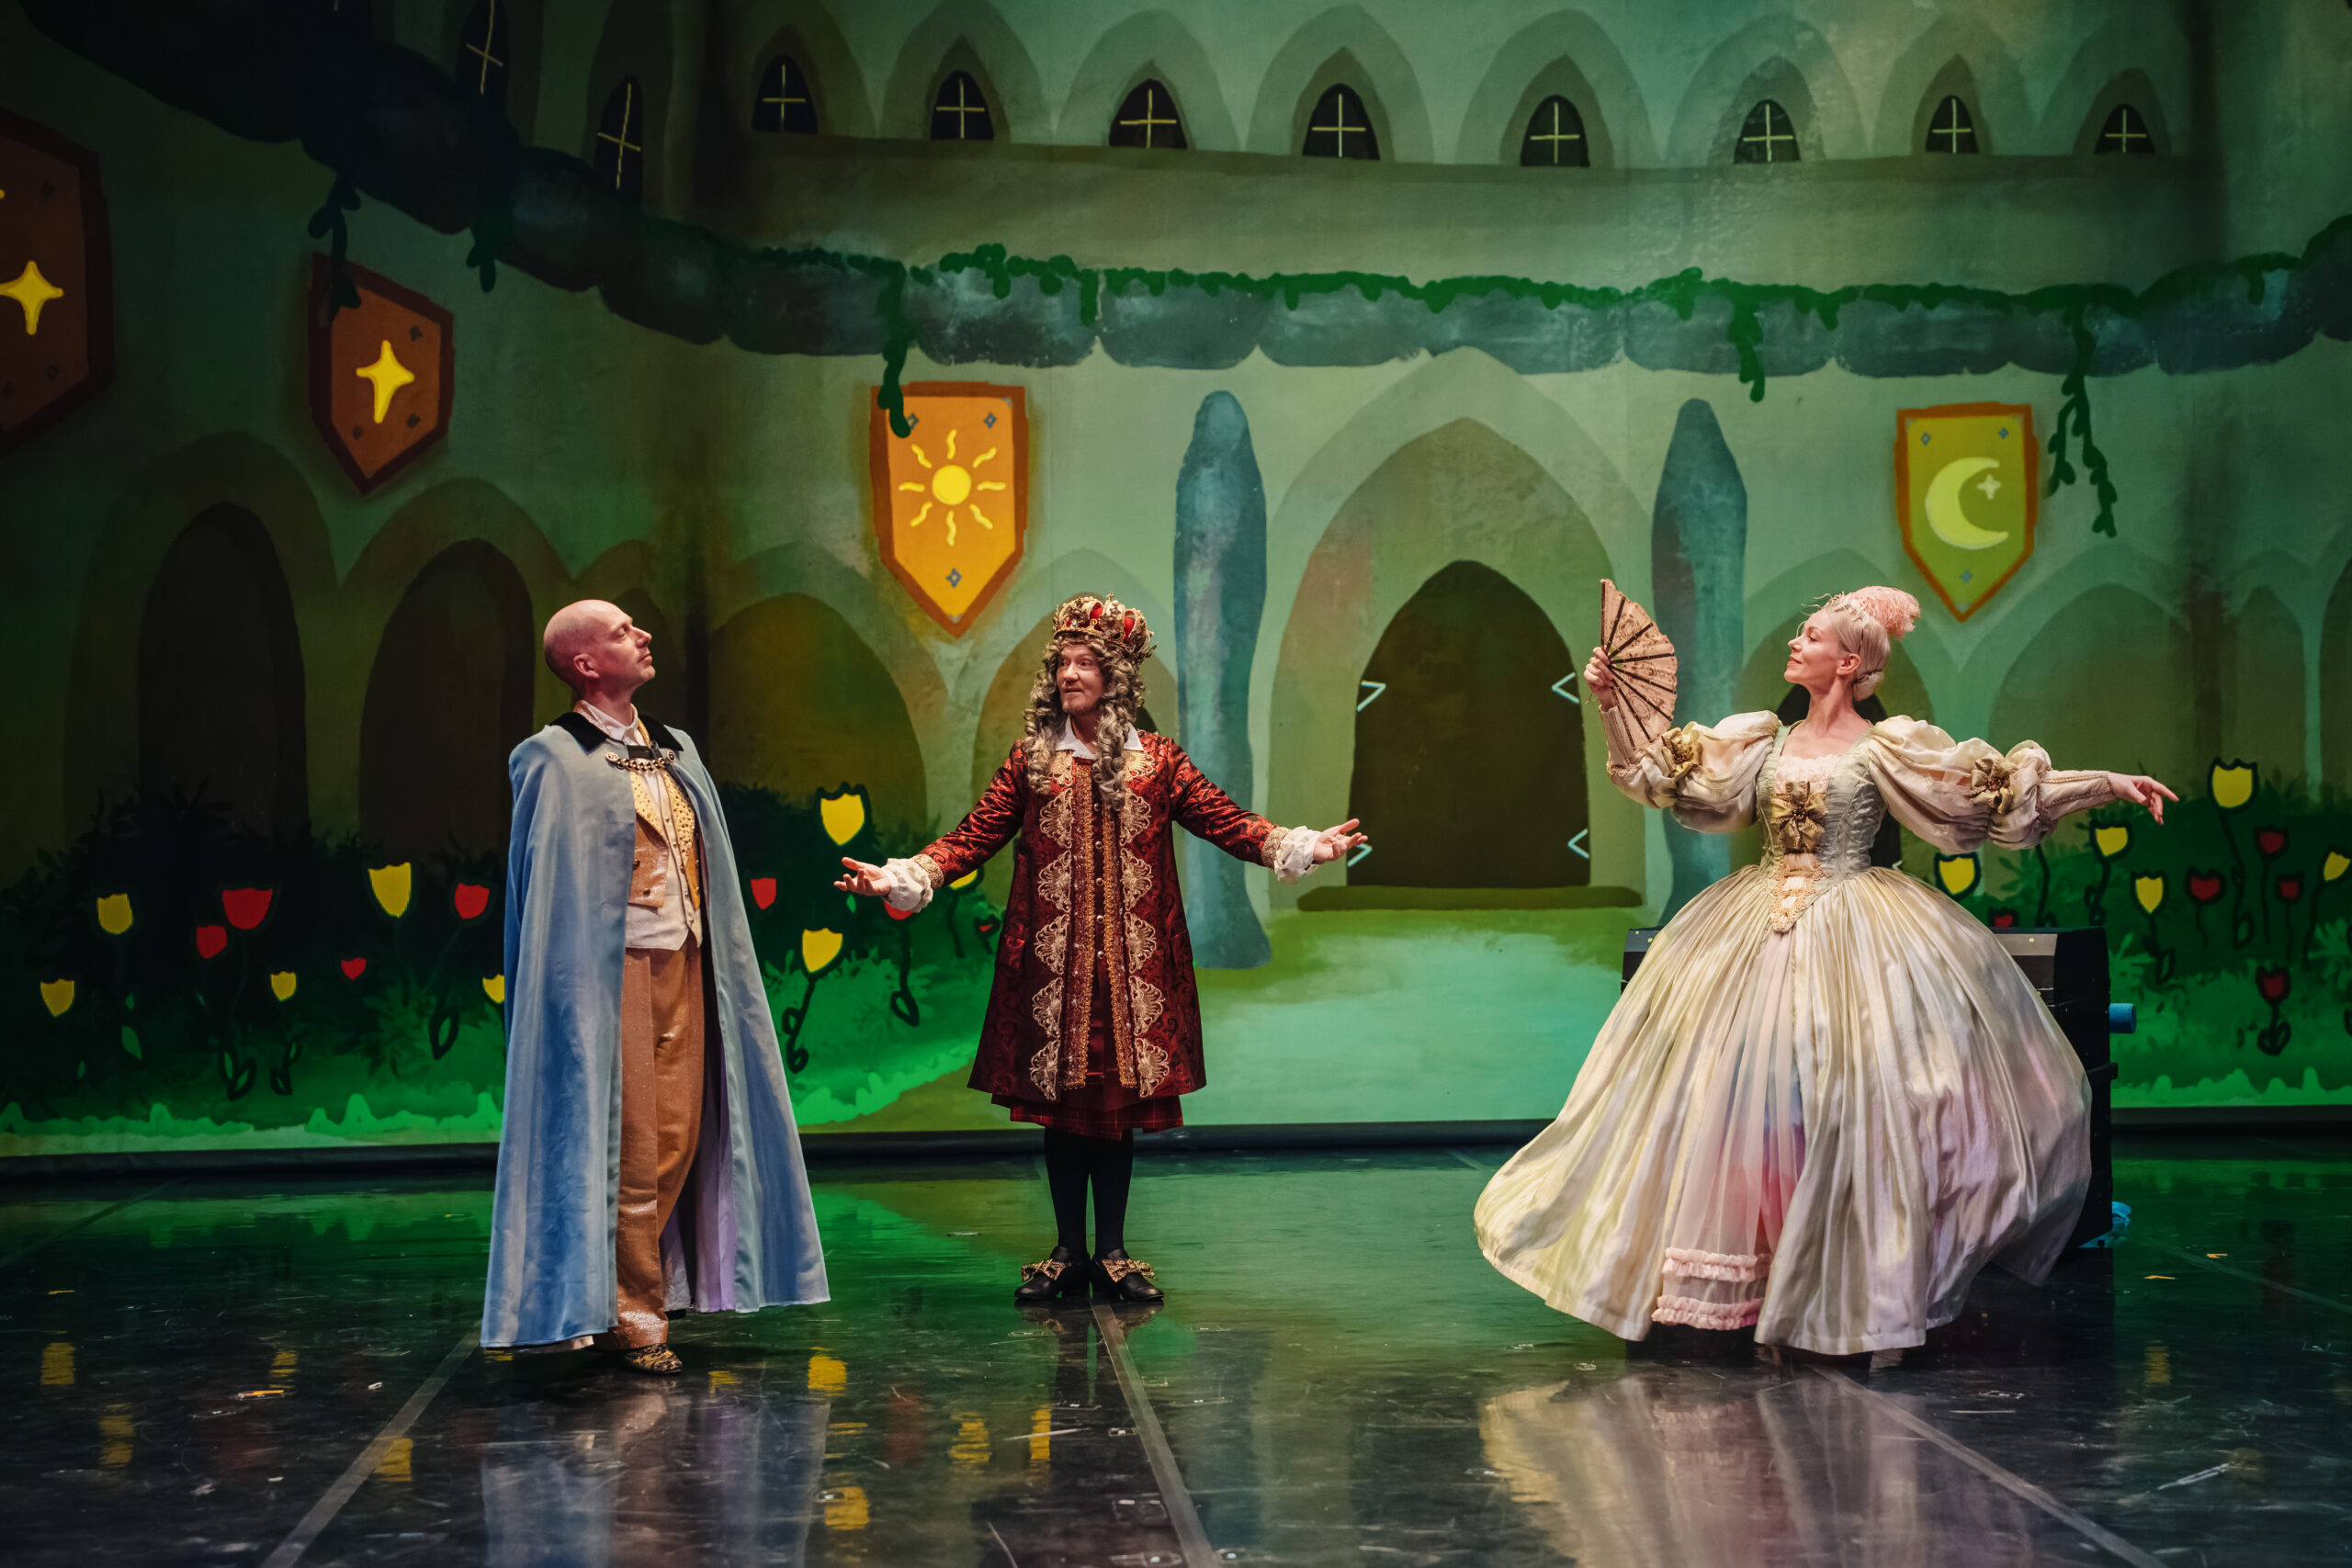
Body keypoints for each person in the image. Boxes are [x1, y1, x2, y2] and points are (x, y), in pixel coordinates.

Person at [1476, 586, 2176, 1355]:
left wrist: (2104, 783)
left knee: (1855, 1106)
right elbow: (1662, 775)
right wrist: (1614, 704)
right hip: (1754, 927)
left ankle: (1855, 1288)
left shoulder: (1885, 748)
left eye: (1810, 636)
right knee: (1741, 1105)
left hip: (1855, 927)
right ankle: (1762, 1279)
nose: (1794, 644)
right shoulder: (1762, 741)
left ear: (1848, 662)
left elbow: (1993, 793)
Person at [835, 594, 1366, 1304]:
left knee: (1114, 1117)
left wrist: (1301, 844)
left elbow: (1227, 821)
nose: (1070, 674)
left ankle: (1111, 1250)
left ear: (1116, 676)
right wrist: (904, 875)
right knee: (1061, 1113)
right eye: (1063, 662)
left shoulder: (1158, 762)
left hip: (1127, 973)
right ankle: (1066, 1249)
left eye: (1086, 663)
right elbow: (972, 837)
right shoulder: (1032, 761)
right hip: (1053, 973)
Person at [483, 600, 828, 1372]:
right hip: (611, 975)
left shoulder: (674, 748)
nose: (641, 637)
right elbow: (547, 890)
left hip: (687, 958)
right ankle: (631, 1315)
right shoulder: (553, 756)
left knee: (679, 1134)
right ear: (585, 664)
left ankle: (645, 1288)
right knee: (631, 1145)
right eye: (621, 632)